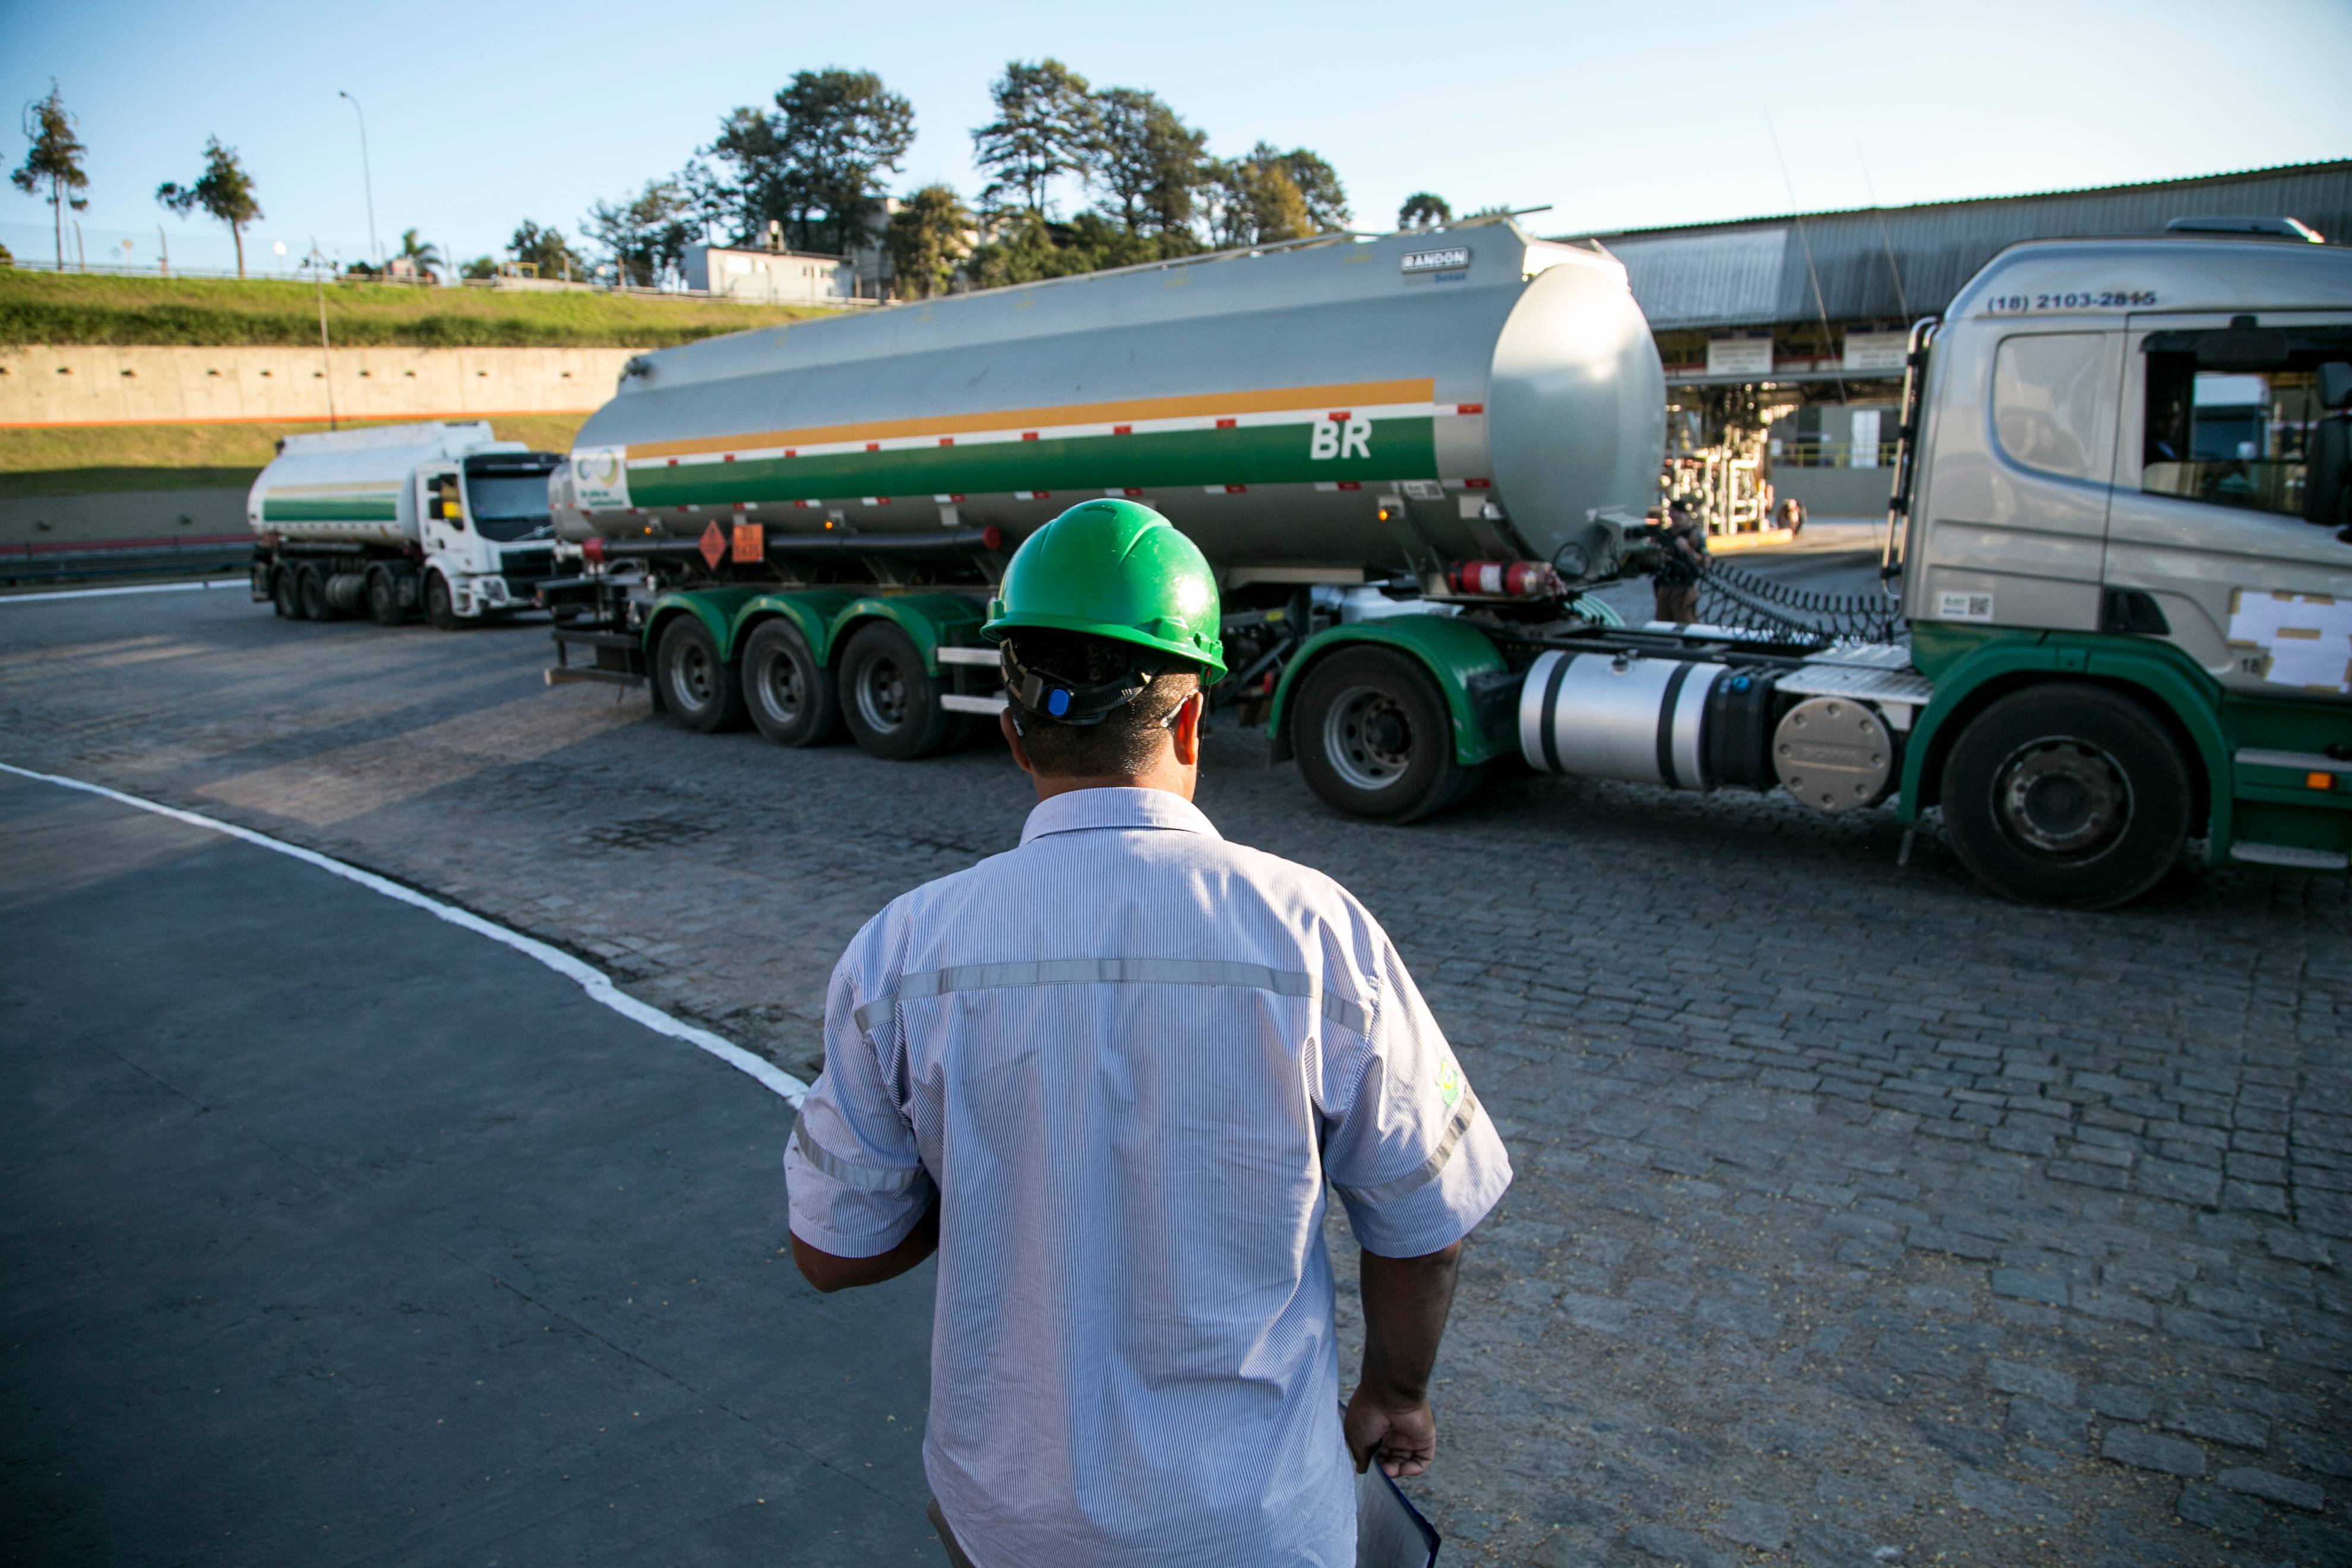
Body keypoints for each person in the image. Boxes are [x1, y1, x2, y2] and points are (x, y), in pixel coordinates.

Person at [784, 500, 1513, 1567]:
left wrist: (985, 1172)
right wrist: (1393, 1395)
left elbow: (829, 1253)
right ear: (1188, 720)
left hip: (1008, 1520)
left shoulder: (902, 955)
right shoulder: (1317, 935)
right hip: (1254, 1527)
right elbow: (1427, 1228)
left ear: (1013, 732)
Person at [1652, 498, 1708, 624]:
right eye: (1672, 513)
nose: (1674, 516)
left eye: (1678, 513)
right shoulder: (1666, 535)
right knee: (1663, 623)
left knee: (1686, 620)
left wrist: (1687, 549)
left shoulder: (1695, 534)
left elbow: (1706, 563)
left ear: (1686, 515)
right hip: (1665, 585)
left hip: (1684, 586)